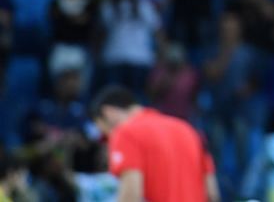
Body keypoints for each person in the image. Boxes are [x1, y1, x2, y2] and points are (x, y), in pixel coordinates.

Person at [91, 85, 220, 202]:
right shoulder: (188, 129)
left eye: (106, 134)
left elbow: (131, 195)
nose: (109, 141)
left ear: (108, 112)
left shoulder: (125, 133)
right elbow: (212, 193)